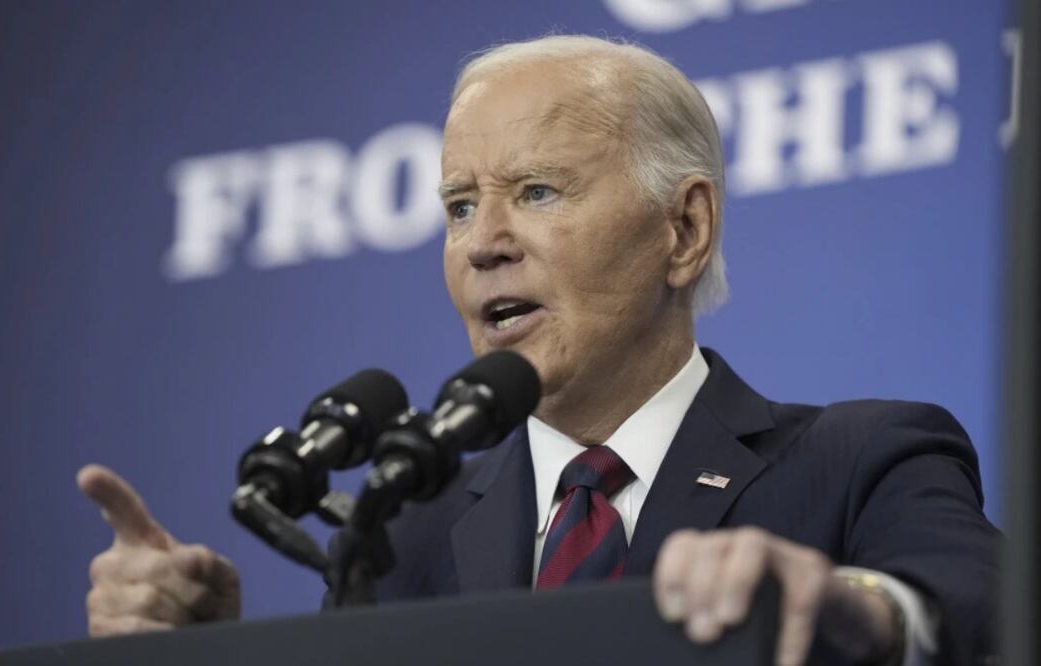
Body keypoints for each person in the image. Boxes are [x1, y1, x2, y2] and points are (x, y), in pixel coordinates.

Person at [78, 35, 999, 665]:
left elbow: (985, 614)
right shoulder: (405, 536)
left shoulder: (863, 460)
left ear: (684, 229)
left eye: (539, 191)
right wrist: (208, 654)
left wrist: (859, 612)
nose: (484, 242)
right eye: (460, 206)